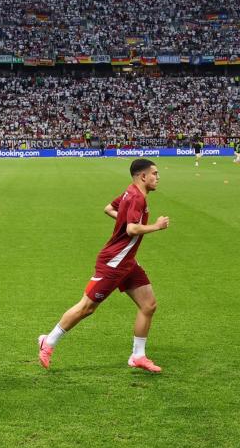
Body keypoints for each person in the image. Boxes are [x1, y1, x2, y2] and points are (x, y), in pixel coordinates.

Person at [37, 159, 170, 373]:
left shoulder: (130, 192)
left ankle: (138, 356)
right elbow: (132, 229)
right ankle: (48, 341)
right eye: (154, 173)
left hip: (127, 262)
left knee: (148, 305)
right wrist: (157, 226)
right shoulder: (136, 197)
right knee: (86, 307)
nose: (158, 177)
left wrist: (124, 221)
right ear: (142, 176)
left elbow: (108, 209)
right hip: (114, 262)